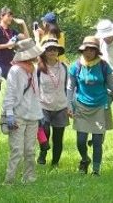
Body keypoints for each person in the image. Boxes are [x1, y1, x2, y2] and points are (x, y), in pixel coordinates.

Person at [67, 36, 113, 176]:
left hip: (100, 106)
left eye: (92, 50)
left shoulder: (104, 66)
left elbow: (112, 84)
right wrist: (68, 104)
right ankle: (85, 160)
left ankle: (96, 170)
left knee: (97, 142)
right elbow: (70, 87)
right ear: (82, 50)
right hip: (81, 106)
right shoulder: (76, 66)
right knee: (81, 141)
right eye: (86, 49)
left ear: (96, 51)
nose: (88, 52)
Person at [2, 38, 43, 184]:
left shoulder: (34, 68)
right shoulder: (15, 70)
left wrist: (39, 111)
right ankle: (9, 181)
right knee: (17, 151)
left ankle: (29, 178)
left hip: (33, 115)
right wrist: (9, 114)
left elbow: (36, 92)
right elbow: (10, 93)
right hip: (18, 115)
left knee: (30, 151)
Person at [36, 39, 69, 167]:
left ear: (58, 52)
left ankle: (55, 163)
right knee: (45, 131)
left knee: (58, 137)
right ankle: (43, 152)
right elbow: (35, 87)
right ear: (44, 52)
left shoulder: (64, 67)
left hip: (61, 105)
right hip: (43, 105)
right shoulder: (38, 68)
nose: (52, 52)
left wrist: (70, 105)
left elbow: (69, 87)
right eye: (49, 49)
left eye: (55, 49)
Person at [0, 6, 29, 79]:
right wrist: (7, 45)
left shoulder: (12, 31)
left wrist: (23, 23)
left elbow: (26, 37)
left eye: (12, 16)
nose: (11, 18)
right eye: (8, 16)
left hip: (9, 64)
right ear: (1, 16)